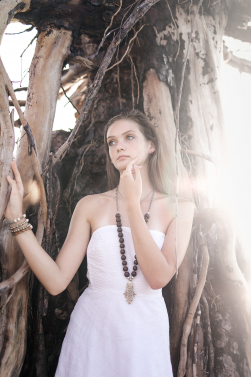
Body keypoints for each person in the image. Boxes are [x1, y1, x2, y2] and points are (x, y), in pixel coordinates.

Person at [5, 109, 194, 377]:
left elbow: (158, 277)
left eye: (129, 137)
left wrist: (131, 201)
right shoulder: (90, 205)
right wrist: (16, 221)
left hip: (145, 333)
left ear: (151, 145)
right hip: (92, 330)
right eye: (112, 142)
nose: (119, 147)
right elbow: (57, 280)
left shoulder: (180, 207)